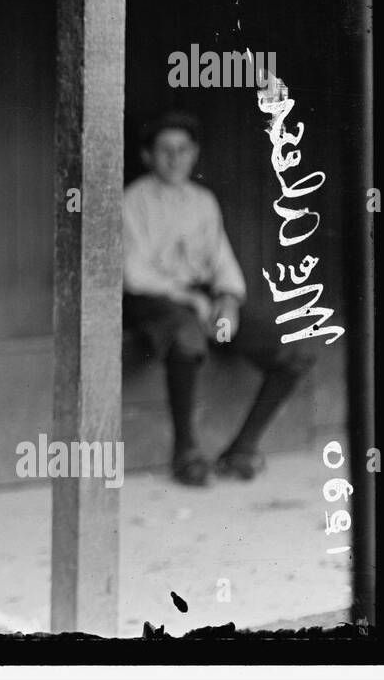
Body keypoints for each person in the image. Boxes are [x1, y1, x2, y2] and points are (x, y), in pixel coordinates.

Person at [123, 112, 316, 486]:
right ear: (148, 156)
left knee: (295, 348)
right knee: (186, 337)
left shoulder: (203, 201)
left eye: (182, 150)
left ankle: (242, 448)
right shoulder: (134, 201)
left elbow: (223, 262)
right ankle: (187, 452)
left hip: (206, 302)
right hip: (154, 303)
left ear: (193, 154)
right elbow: (134, 274)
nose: (174, 159)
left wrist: (227, 299)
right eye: (164, 150)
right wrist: (191, 300)